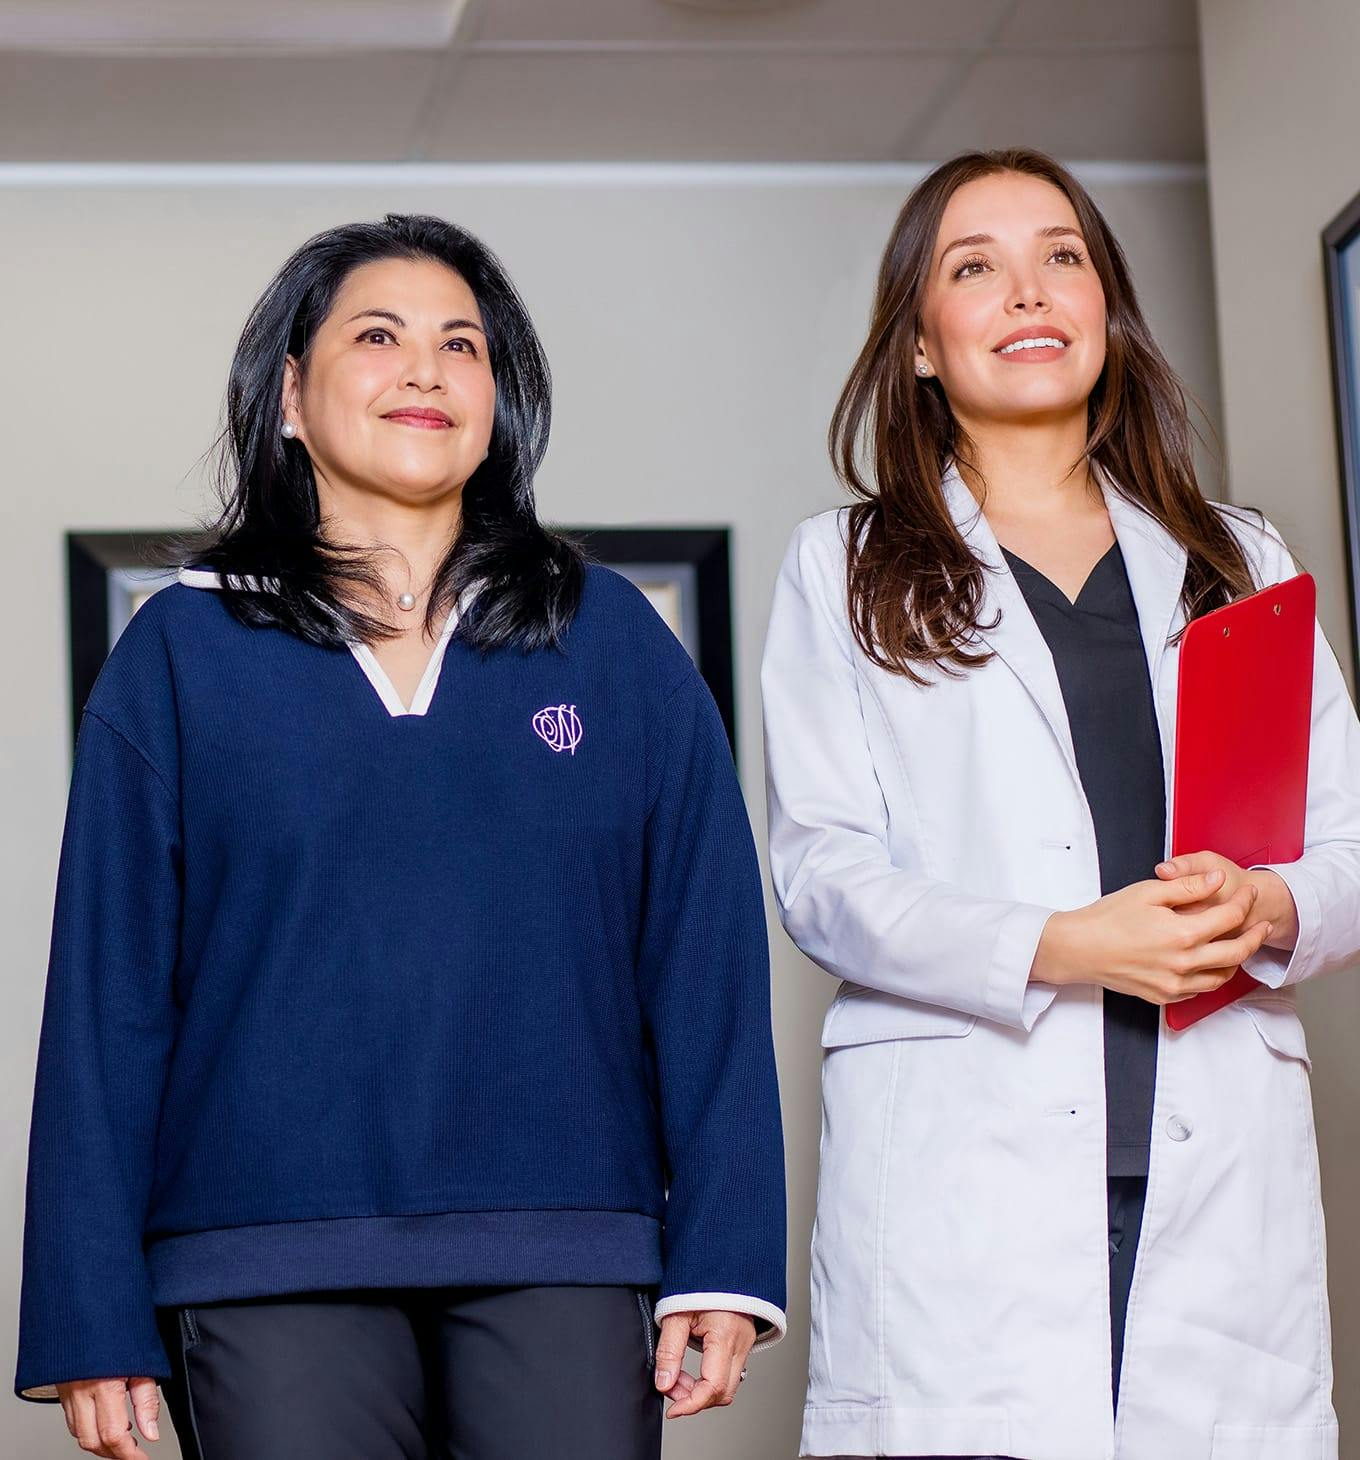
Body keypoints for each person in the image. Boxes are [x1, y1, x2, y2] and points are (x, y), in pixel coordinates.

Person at [17, 212, 786, 1460]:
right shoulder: (179, 652)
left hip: (567, 1239)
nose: (426, 368)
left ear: (498, 400)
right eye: (378, 336)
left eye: (461, 344)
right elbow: (105, 1000)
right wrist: (85, 1304)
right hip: (261, 1250)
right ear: (289, 397)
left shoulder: (613, 642)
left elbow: (705, 962)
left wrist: (725, 1249)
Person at [761, 149, 1360, 1459]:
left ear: (1107, 309)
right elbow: (822, 876)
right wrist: (1060, 944)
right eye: (975, 266)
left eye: (1063, 256)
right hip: (968, 1181)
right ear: (920, 344)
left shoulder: (1238, 557)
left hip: (1212, 1169)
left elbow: (1348, 844)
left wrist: (1267, 903)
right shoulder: (843, 567)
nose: (1029, 290)